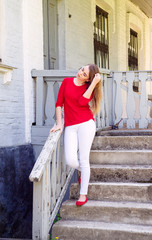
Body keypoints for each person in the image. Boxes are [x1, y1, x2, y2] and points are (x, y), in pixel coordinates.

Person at [50, 64, 102, 206]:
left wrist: (93, 84)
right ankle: (84, 172)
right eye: (81, 70)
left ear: (88, 80)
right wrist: (60, 123)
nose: (80, 73)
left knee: (83, 159)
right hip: (70, 126)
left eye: (84, 74)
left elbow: (82, 102)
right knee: (70, 161)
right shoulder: (67, 82)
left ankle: (82, 194)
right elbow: (59, 103)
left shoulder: (87, 88)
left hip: (86, 124)